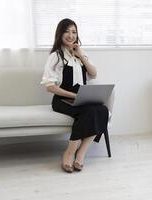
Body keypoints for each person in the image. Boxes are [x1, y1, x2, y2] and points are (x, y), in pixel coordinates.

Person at [41, 18, 109, 173]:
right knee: (88, 112)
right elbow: (50, 87)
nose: (71, 35)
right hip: (62, 99)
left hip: (80, 98)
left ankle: (81, 154)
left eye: (74, 32)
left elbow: (94, 73)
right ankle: (69, 153)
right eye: (67, 31)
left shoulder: (79, 55)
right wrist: (73, 95)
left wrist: (80, 55)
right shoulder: (55, 56)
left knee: (102, 110)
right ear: (60, 34)